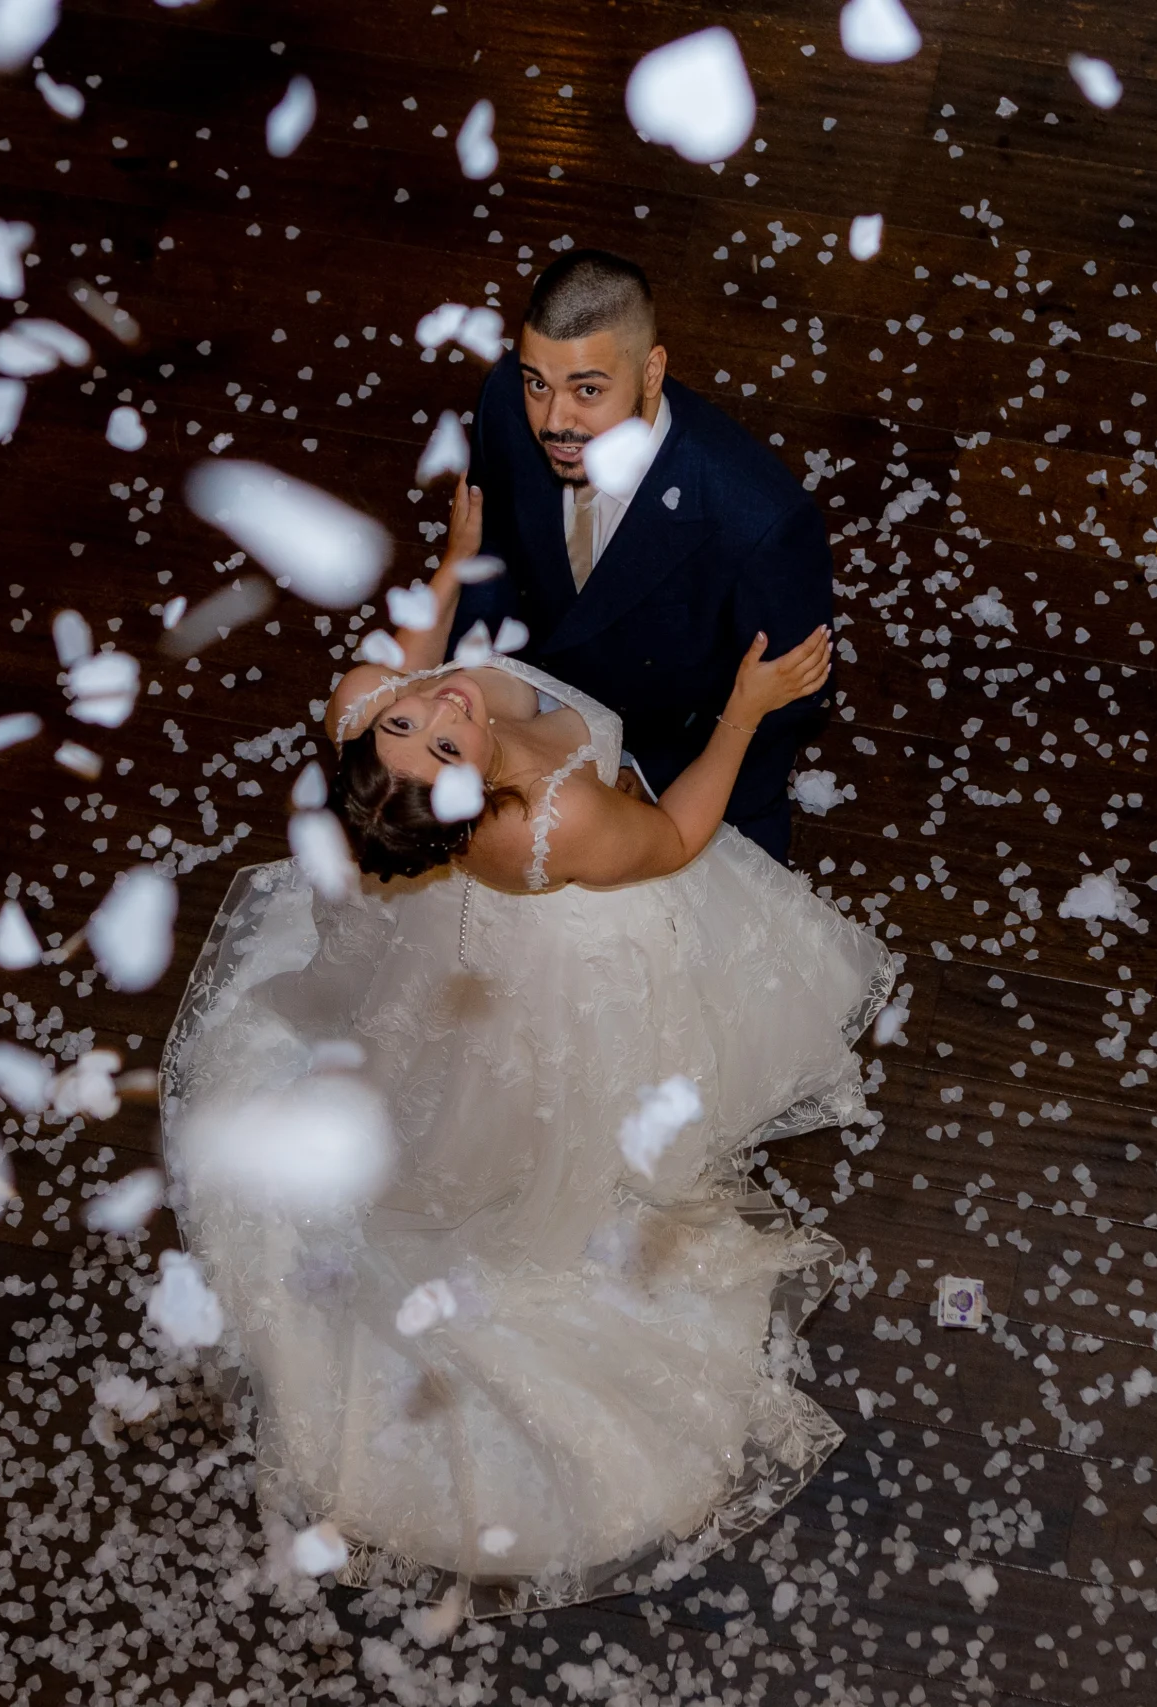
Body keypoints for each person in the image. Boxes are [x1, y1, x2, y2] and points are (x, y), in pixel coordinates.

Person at [157, 485, 896, 1621]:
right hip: (556, 940)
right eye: (442, 740)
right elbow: (680, 835)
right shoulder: (555, 830)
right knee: (548, 1081)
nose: (435, 709)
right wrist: (744, 711)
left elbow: (398, 667)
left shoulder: (367, 714)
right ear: (473, 801)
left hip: (436, 932)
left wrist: (450, 567)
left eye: (414, 729)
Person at [451, 248, 833, 864]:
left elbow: (790, 697)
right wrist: (480, 697)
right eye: (537, 383)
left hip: (680, 778)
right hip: (527, 720)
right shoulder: (503, 400)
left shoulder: (760, 519)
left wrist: (646, 783)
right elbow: (493, 553)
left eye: (588, 389)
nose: (554, 420)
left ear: (651, 372)